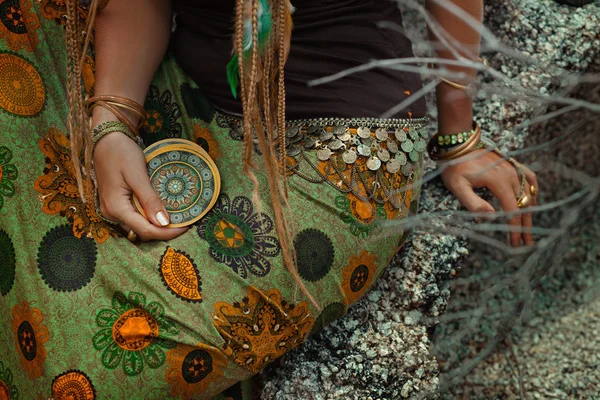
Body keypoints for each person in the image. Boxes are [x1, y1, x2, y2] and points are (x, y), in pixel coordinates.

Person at [0, 0, 537, 398]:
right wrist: (113, 121)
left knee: (88, 365)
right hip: (177, 84)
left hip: (332, 153)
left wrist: (457, 134)